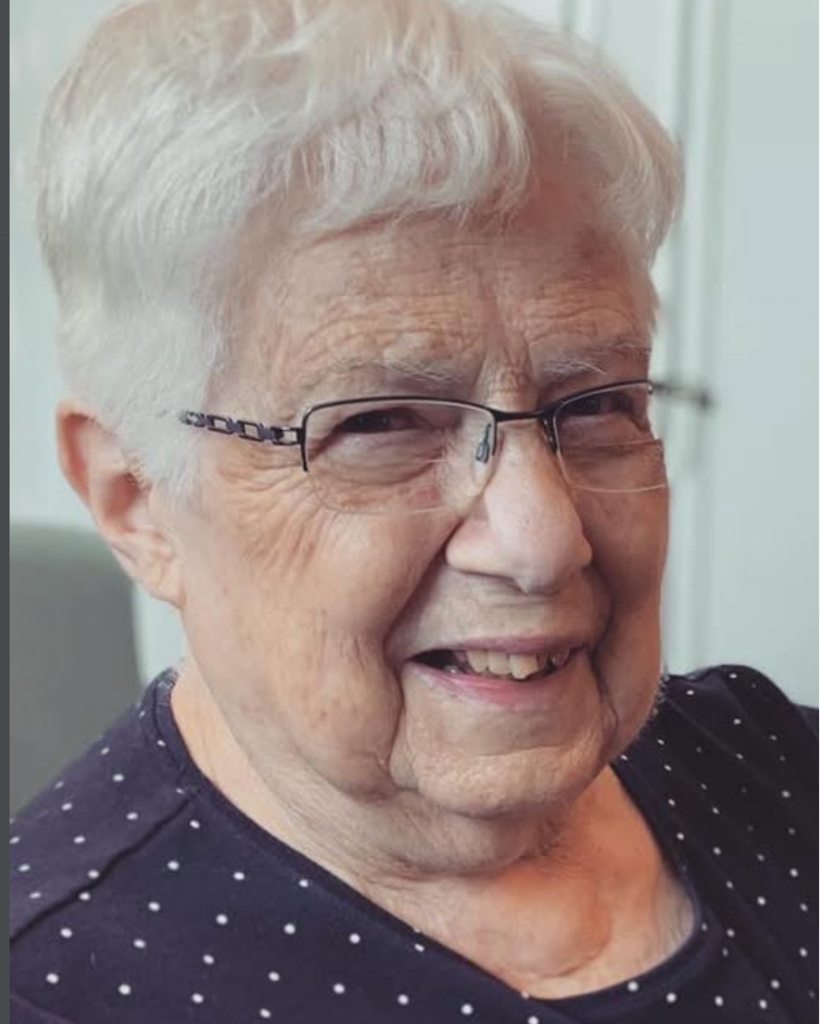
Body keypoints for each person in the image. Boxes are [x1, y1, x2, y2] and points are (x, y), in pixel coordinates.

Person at [10, 1, 819, 1021]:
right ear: (136, 501)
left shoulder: (773, 767)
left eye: (595, 404)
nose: (542, 540)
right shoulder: (59, 988)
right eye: (382, 423)